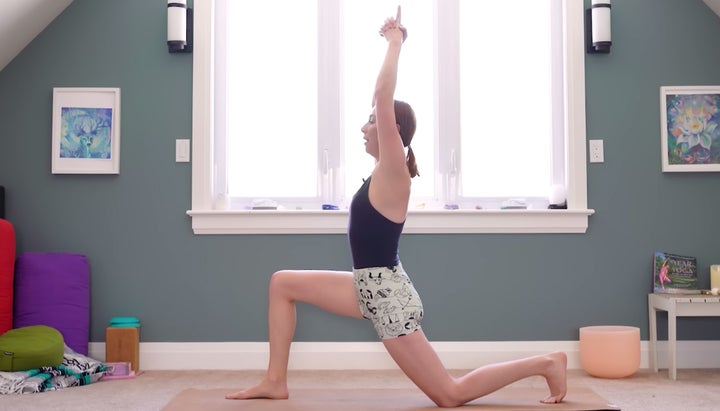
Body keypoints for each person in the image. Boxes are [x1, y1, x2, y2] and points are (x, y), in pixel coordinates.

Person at [226, 7, 567, 407]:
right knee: (282, 283)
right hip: (367, 285)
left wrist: (395, 42)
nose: (363, 127)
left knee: (449, 394)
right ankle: (274, 380)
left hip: (388, 297)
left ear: (393, 132)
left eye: (371, 122)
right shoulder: (380, 174)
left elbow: (383, 95)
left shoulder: (394, 169)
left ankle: (546, 363)